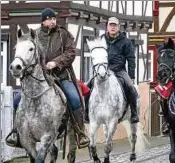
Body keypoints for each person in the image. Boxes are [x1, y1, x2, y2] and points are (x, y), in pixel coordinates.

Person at [6, 8, 89, 148]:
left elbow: (71, 53)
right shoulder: (35, 35)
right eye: (50, 19)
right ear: (43, 21)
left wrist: (56, 62)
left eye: (54, 18)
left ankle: (80, 132)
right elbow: (29, 54)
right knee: (16, 101)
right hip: (40, 78)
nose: (53, 21)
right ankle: (16, 132)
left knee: (74, 99)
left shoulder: (63, 34)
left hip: (61, 75)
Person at [85, 17, 139, 124]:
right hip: (103, 70)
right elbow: (95, 56)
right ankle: (86, 113)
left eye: (115, 25)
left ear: (118, 27)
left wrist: (132, 76)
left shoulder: (126, 42)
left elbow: (131, 59)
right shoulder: (101, 39)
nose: (113, 27)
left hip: (120, 71)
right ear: (107, 27)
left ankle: (134, 113)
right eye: (111, 25)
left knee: (130, 87)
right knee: (87, 87)